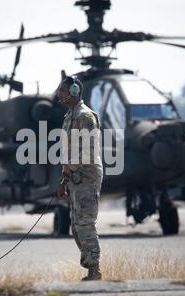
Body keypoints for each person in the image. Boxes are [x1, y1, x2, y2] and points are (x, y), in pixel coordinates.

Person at [56, 75, 103, 281]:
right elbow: (68, 153)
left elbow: (88, 153)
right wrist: (64, 180)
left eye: (63, 90)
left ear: (75, 92)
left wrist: (68, 171)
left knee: (85, 224)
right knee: (76, 226)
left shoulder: (85, 117)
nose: (60, 94)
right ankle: (91, 267)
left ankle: (95, 271)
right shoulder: (69, 117)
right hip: (74, 178)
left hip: (87, 177)